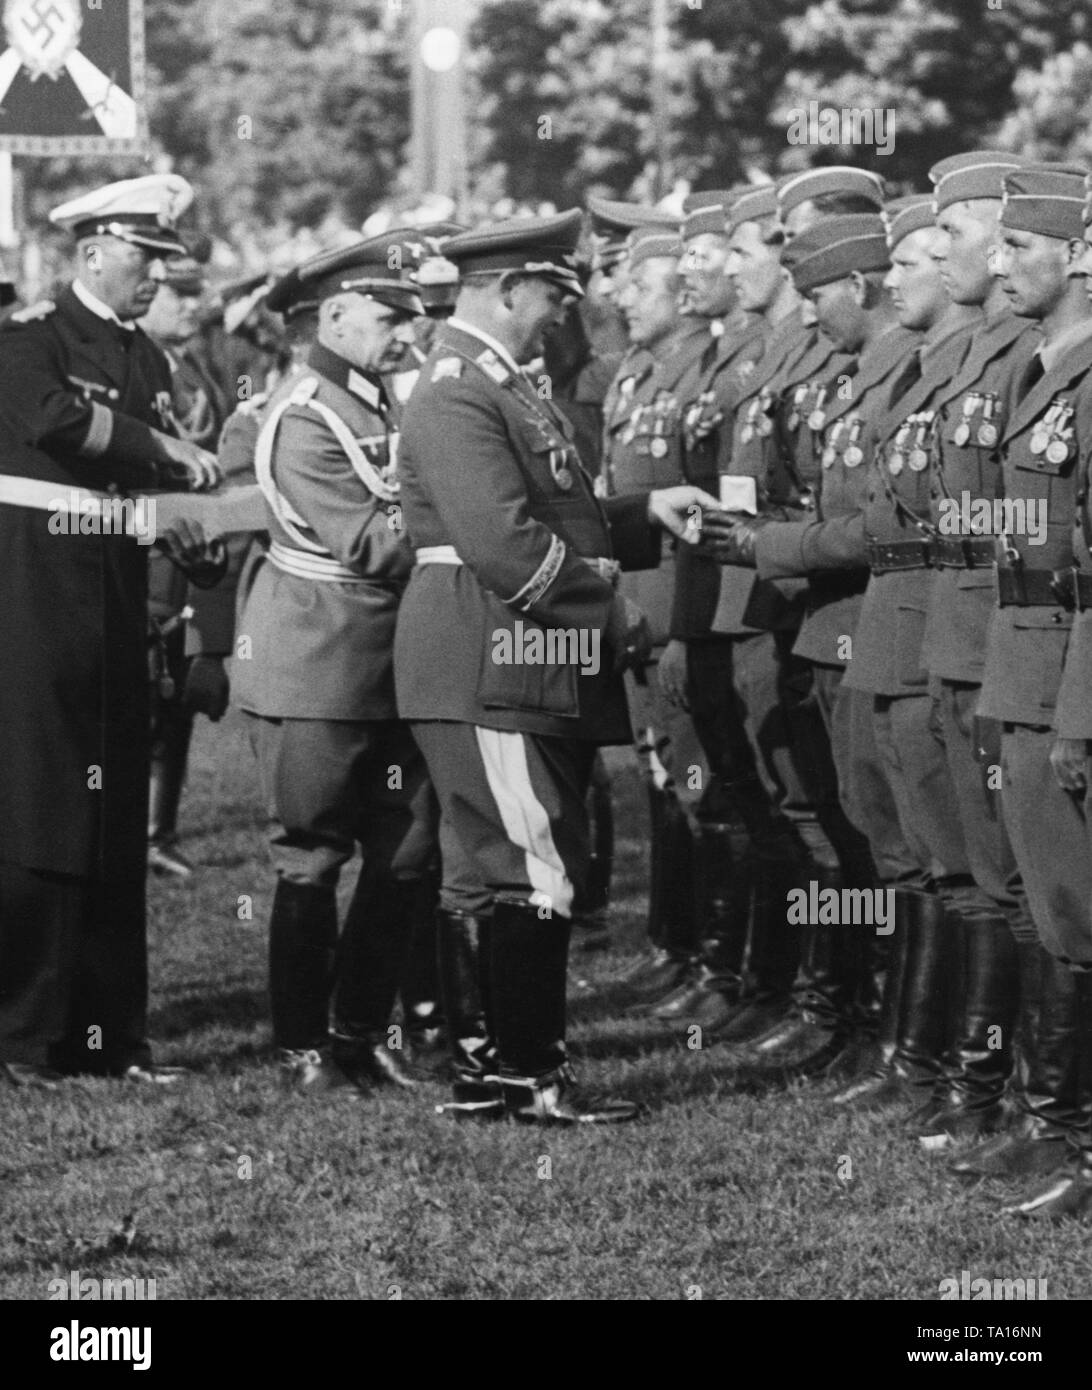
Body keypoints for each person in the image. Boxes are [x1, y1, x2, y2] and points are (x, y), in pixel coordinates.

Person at [394, 209, 728, 1125]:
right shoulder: (460, 389)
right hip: (498, 650)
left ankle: (485, 1073)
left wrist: (644, 510)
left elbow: (556, 512)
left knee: (485, 868)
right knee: (535, 864)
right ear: (505, 291)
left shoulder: (495, 382)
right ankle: (531, 1075)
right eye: (549, 296)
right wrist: (613, 615)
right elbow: (504, 543)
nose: (559, 316)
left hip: (507, 649)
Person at [0, 174, 221, 1089]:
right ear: (93, 252)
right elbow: (49, 421)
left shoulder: (150, 361)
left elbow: (144, 490)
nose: (156, 277)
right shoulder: (29, 339)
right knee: (42, 811)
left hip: (118, 599)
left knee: (113, 816)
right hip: (36, 599)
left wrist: (189, 529)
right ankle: (25, 1035)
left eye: (164, 260)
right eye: (144, 257)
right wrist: (159, 449)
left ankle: (108, 1037)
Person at [232, 233, 439, 1094]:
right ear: (337, 314)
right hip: (315, 667)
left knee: (408, 850)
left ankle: (358, 1030)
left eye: (412, 318)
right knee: (311, 857)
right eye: (393, 317)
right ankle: (302, 1048)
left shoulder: (375, 400)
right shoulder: (307, 413)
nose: (409, 334)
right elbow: (373, 545)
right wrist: (487, 541)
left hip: (389, 665)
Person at [141, 252, 235, 878]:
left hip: (192, 551)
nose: (191, 305)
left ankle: (157, 832)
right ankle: (129, 832)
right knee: (138, 699)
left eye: (194, 293)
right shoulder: (127, 369)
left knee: (176, 698)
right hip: (142, 549)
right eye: (176, 294)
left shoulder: (191, 366)